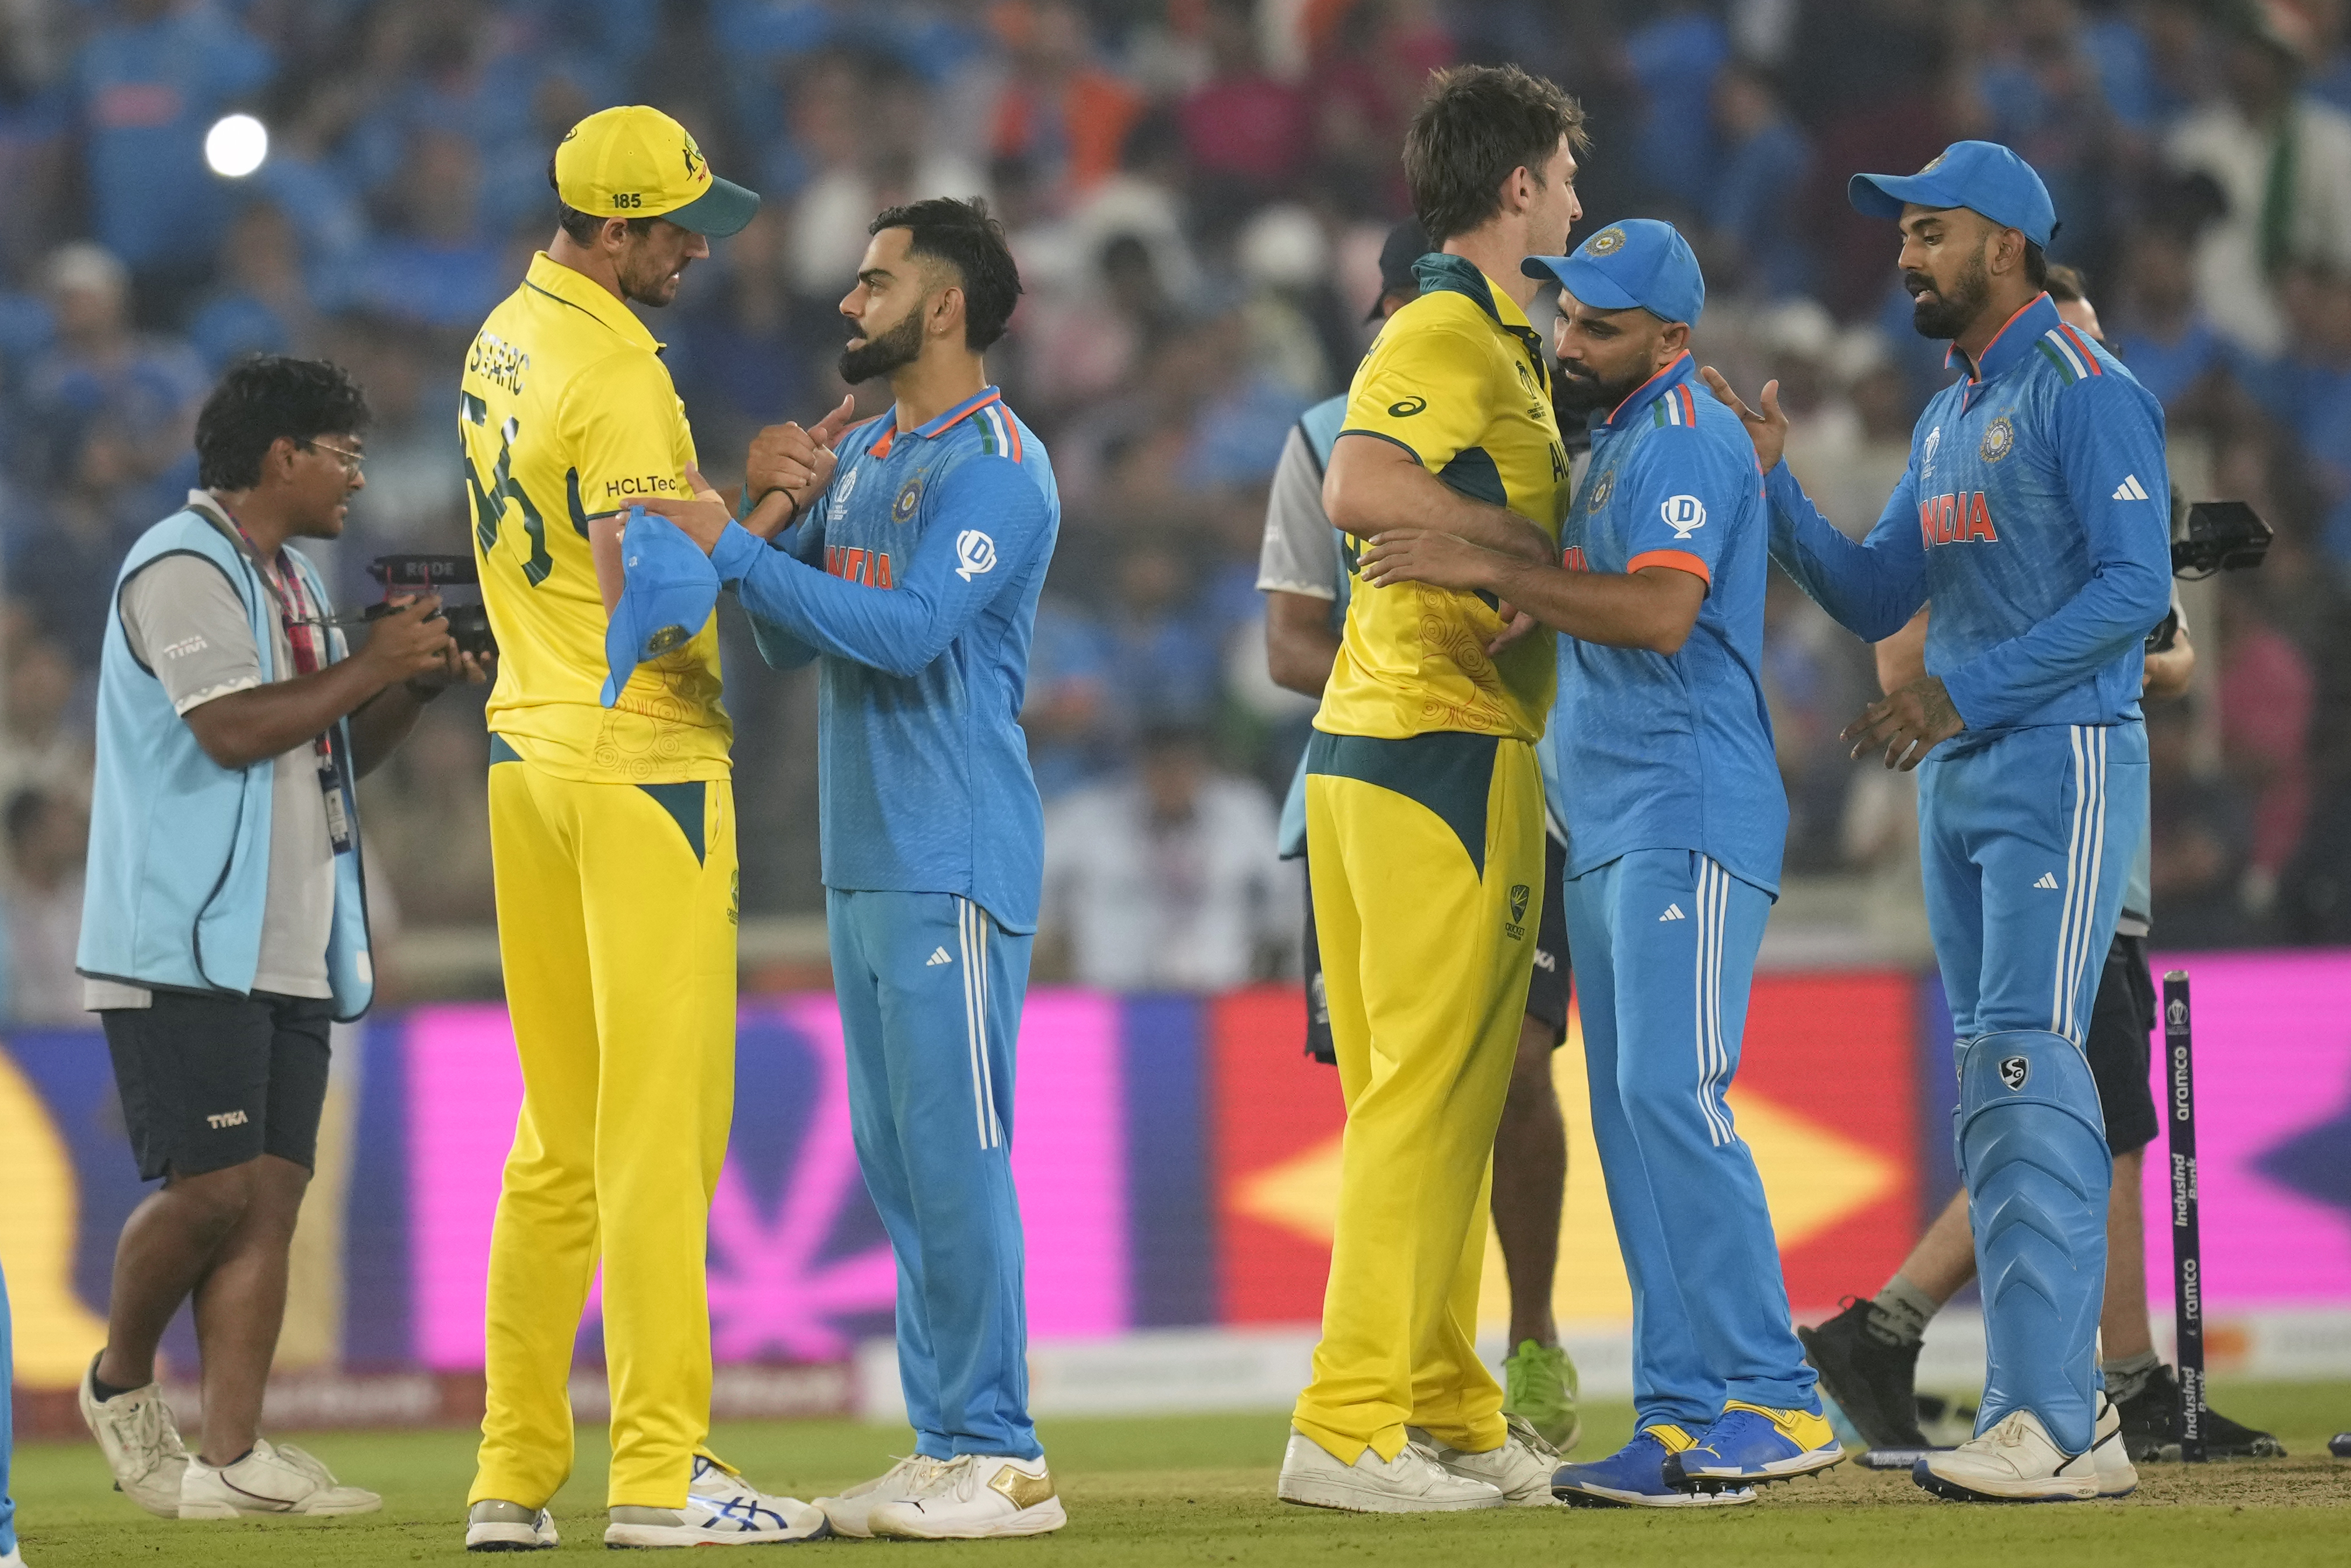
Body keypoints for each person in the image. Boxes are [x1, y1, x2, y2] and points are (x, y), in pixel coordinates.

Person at [1702, 140, 2172, 1501]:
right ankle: (2054, 1419)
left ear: (2005, 246)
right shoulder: (1946, 414)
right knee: (1994, 1088)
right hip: (1957, 775)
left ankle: (2053, 1417)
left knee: (2026, 1069)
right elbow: (1869, 592)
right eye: (1902, 235)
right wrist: (1771, 486)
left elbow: (2134, 591)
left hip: (2056, 764)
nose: (1904, 256)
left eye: (1929, 234)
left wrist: (1965, 691)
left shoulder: (2087, 389)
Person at [1363, 219, 1838, 1507]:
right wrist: (1539, 589)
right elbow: (1608, 592)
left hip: (1688, 807)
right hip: (1614, 813)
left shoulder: (1683, 434)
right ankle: (1679, 1415)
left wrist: (1482, 562)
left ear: (1672, 338)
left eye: (1601, 327)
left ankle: (1777, 1398)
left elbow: (1662, 611)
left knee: (1672, 1097)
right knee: (1634, 1119)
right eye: (1566, 317)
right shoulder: (1623, 437)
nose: (1569, 343)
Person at [1795, 266, 2282, 1465]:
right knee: (2072, 1107)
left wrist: (2123, 636)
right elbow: (1900, 656)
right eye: (2075, 338)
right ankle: (2088, 1379)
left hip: (2092, 838)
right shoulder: (1967, 468)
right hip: (2039, 837)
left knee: (2080, 1110)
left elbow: (2159, 655)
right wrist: (2085, 651)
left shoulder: (2075, 481)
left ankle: (1919, 1339)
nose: (2092, 362)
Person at [647, 195, 1067, 1541]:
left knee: (958, 1160)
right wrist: (767, 524)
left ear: (944, 306)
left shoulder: (999, 466)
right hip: (867, 853)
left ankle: (1002, 1455)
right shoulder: (871, 451)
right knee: (901, 1171)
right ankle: (942, 1442)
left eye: (875, 282)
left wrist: (730, 543)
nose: (847, 301)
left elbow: (905, 633)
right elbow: (788, 638)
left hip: (952, 852)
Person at [458, 106, 823, 1550]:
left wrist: (707, 495)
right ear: (614, 233)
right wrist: (769, 504)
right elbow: (648, 596)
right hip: (642, 768)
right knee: (658, 1140)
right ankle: (664, 1476)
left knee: (557, 1140)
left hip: (526, 758)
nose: (698, 250)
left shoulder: (503, 334)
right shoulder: (618, 368)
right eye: (678, 229)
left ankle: (509, 1479)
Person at [75, 354, 478, 1521]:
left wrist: (411, 686)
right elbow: (230, 730)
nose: (359, 476)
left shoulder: (293, 579)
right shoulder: (181, 564)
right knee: (209, 1191)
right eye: (344, 454)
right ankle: (119, 1383)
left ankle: (233, 1457)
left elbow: (326, 753)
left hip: (290, 933)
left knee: (270, 1197)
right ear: (281, 454)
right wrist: (370, 664)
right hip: (181, 938)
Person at [1267, 65, 1581, 1515]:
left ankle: (1445, 1404)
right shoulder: (1448, 325)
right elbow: (1358, 483)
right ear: (1515, 185)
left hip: (1402, 748)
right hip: (1431, 752)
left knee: (1445, 1101)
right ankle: (1344, 1426)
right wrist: (1507, 548)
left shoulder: (1488, 334)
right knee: (1418, 1101)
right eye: (1562, 177)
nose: (1574, 199)